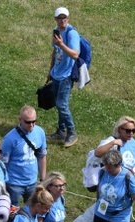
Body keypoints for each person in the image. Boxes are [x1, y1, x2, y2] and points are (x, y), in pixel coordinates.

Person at [93, 149, 135, 222]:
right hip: (101, 213)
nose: (108, 169)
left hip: (118, 218)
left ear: (118, 165)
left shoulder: (127, 176)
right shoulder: (102, 172)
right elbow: (99, 189)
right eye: (106, 166)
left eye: (110, 168)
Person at [46, 7, 80, 148]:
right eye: (59, 18)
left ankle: (72, 132)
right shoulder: (56, 30)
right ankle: (61, 131)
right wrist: (50, 70)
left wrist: (61, 44)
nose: (62, 20)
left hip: (66, 75)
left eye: (64, 17)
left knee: (62, 104)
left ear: (68, 18)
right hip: (56, 73)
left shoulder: (72, 34)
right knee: (58, 104)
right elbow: (55, 51)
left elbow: (75, 54)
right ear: (55, 19)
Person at [2, 105, 47, 206]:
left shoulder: (40, 132)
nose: (31, 125)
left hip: (32, 182)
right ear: (20, 120)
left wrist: (43, 179)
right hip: (14, 184)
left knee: (33, 210)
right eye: (28, 122)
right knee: (12, 213)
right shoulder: (9, 139)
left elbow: (42, 156)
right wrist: (3, 185)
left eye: (34, 121)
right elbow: (2, 164)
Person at [93, 116, 135, 191]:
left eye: (134, 130)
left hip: (127, 184)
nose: (131, 133)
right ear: (120, 129)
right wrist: (112, 143)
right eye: (128, 130)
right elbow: (97, 153)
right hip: (111, 184)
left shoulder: (134, 144)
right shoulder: (112, 141)